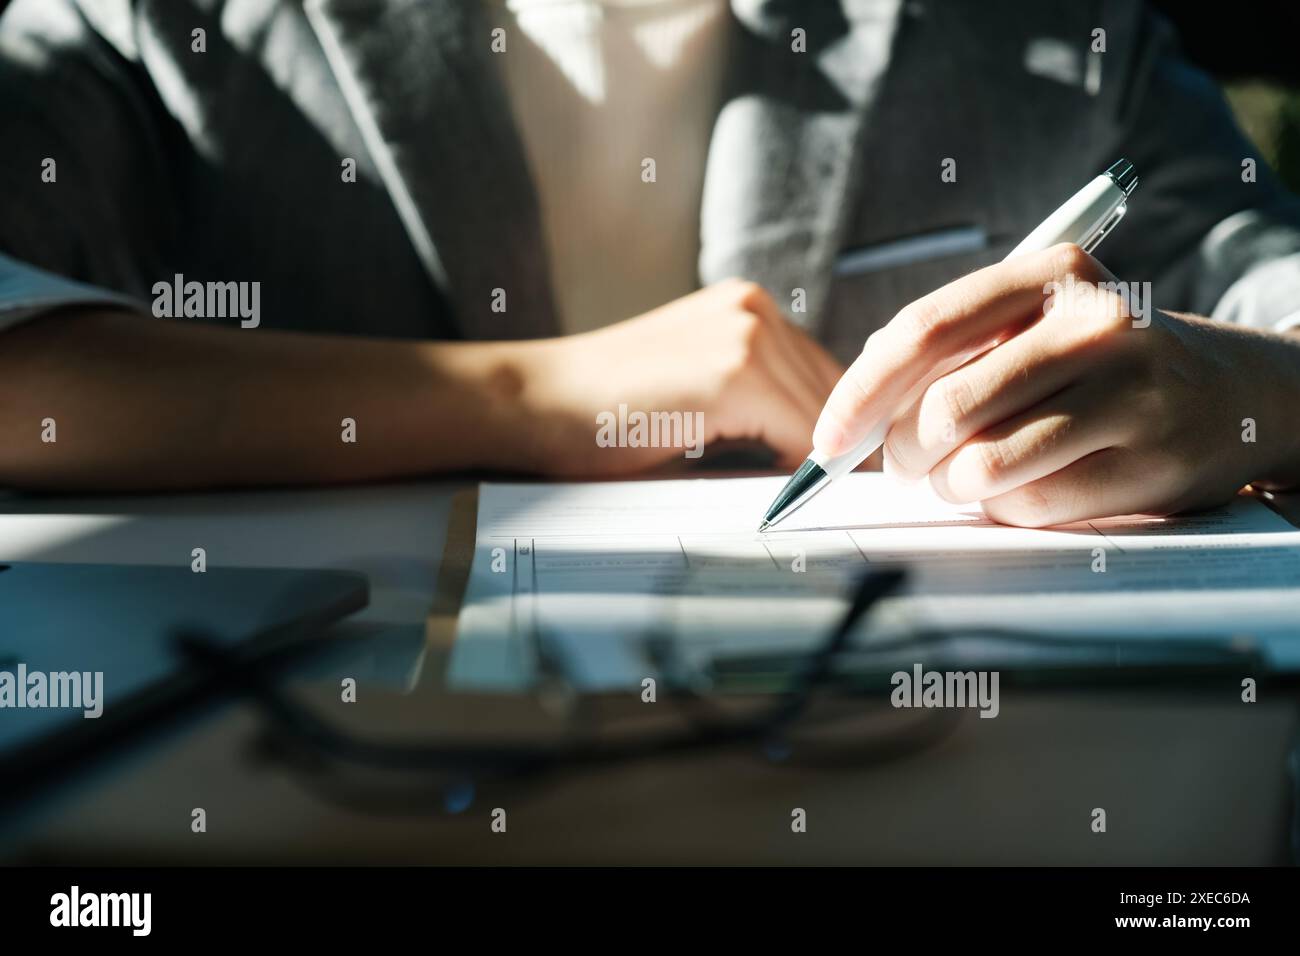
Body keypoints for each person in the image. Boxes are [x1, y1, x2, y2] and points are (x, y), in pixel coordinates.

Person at [1, 0, 1299, 528]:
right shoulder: (150, 29)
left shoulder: (1049, 38)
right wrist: (530, 396)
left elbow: (1272, 294)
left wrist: (1253, 390)